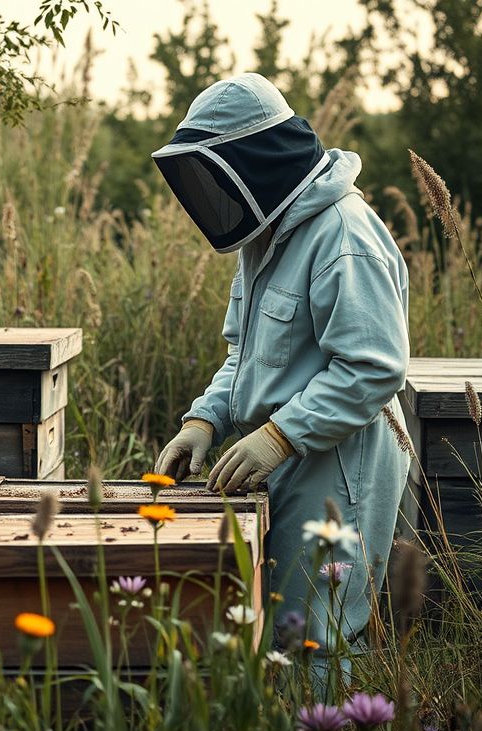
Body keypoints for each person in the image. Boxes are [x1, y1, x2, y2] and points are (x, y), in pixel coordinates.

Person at [151, 73, 411, 674]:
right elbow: (242, 352)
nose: (211, 192)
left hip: (341, 461)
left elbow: (373, 368)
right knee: (277, 625)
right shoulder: (265, 238)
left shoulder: (343, 234)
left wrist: (280, 434)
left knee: (316, 632)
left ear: (256, 161)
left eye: (217, 175)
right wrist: (204, 419)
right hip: (287, 454)